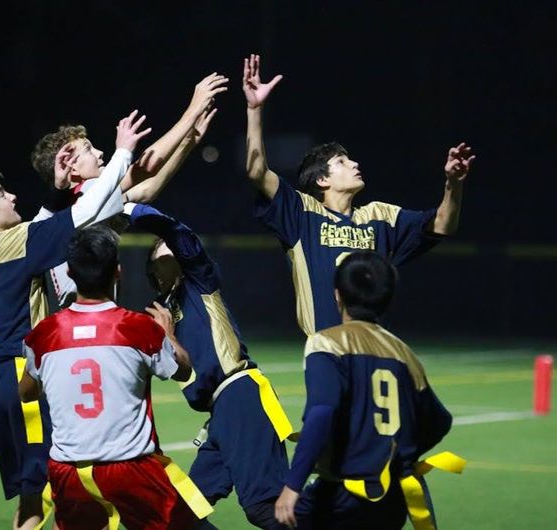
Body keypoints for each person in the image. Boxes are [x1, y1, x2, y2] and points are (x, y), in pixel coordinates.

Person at [0, 110, 150, 530]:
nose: (12, 197)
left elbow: (34, 232)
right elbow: (85, 211)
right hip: (22, 382)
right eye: (1, 195)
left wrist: (54, 192)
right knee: (74, 491)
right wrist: (124, 152)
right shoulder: (17, 245)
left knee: (33, 499)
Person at [243, 53, 476, 336]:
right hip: (326, 347)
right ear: (322, 179)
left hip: (373, 345)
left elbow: (443, 223)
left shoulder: (380, 216)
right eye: (341, 162)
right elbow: (257, 171)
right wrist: (254, 110)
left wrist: (453, 183)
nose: (354, 164)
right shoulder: (301, 213)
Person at [19, 224, 212, 530]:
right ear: (118, 272)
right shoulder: (138, 328)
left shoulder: (44, 334)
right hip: (131, 468)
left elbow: (26, 392)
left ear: (69, 273)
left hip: (70, 473)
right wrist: (168, 334)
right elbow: (183, 369)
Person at [127, 202, 294, 530]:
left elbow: (180, 236)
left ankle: (343, 508)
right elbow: (184, 378)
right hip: (220, 412)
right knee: (181, 513)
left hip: (242, 393)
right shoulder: (161, 313)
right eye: (162, 250)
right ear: (152, 270)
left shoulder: (198, 282)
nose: (171, 250)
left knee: (264, 506)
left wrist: (133, 207)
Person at [273, 251, 463, 529]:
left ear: (337, 294)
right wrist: (395, 454)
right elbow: (439, 421)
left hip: (341, 495)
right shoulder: (403, 353)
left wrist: (293, 485)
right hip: (392, 498)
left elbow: (322, 412)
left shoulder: (327, 343)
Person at [30, 73, 227, 308]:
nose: (99, 153)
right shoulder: (86, 195)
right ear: (71, 168)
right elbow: (143, 170)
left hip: (73, 323)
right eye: (88, 149)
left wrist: (188, 141)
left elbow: (146, 189)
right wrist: (192, 110)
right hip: (85, 325)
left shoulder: (75, 206)